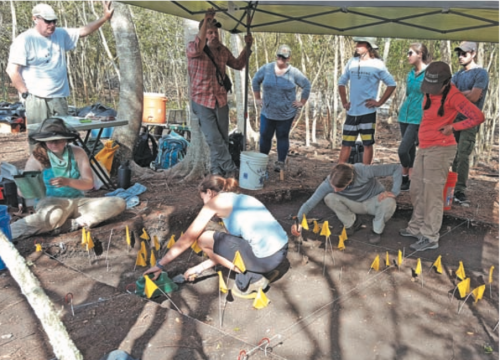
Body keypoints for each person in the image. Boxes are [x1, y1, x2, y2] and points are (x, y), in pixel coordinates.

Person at [144, 175, 288, 299]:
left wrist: (160, 265)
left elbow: (188, 237)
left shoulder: (214, 203)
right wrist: (199, 268)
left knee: (203, 238)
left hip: (265, 259)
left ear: (209, 193)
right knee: (223, 241)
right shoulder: (240, 198)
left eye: (203, 199)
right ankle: (259, 270)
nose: (204, 203)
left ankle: (254, 278)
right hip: (280, 253)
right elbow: (230, 253)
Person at [400, 62, 484, 252]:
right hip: (425, 146)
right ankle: (416, 227)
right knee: (417, 188)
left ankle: (429, 237)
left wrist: (454, 127)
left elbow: (477, 116)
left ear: (446, 83)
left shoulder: (454, 95)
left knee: (432, 193)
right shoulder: (429, 91)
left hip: (441, 148)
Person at [10, 118, 126, 239]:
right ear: (43, 141)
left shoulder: (78, 152)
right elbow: (22, 191)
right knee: (54, 215)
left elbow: (88, 184)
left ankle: (71, 224)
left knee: (118, 202)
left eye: (58, 140)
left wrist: (68, 182)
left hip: (77, 202)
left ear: (66, 139)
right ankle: (8, 232)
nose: (54, 144)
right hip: (50, 203)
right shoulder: (37, 157)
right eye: (50, 141)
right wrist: (28, 189)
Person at [6, 2, 114, 127]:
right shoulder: (24, 40)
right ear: (35, 19)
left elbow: (83, 31)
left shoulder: (60, 34)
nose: (52, 25)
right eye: (47, 21)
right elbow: (12, 70)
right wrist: (25, 94)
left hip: (59, 97)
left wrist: (104, 18)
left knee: (62, 134)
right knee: (39, 135)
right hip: (36, 98)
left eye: (54, 21)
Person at [187, 8, 253, 178]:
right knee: (213, 138)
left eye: (216, 32)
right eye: (210, 32)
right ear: (203, 34)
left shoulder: (222, 50)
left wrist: (247, 47)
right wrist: (206, 18)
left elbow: (238, 64)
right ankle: (231, 169)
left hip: (220, 100)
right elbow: (197, 47)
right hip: (202, 101)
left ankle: (217, 171)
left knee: (222, 138)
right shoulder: (194, 48)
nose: (214, 35)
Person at [291, 163, 402, 245]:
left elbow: (397, 168)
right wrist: (298, 221)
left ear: (349, 182)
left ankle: (376, 230)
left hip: (374, 201)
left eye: (338, 188)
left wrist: (395, 192)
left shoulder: (363, 171)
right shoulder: (329, 182)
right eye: (332, 186)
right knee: (329, 197)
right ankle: (352, 223)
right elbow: (309, 203)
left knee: (389, 202)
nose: (334, 189)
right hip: (354, 204)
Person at [252, 44, 311, 172]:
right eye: (279, 56)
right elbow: (255, 80)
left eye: (284, 57)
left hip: (286, 113)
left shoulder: (294, 72)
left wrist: (302, 102)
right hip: (268, 111)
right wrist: (257, 97)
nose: (281, 59)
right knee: (265, 135)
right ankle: (263, 160)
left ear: (288, 58)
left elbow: (306, 85)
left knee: (282, 136)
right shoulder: (267, 69)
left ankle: (280, 162)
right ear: (276, 55)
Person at [338, 37, 396, 165]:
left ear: (369, 46)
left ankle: (365, 172)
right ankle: (339, 171)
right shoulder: (351, 62)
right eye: (357, 43)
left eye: (360, 44)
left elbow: (391, 84)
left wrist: (380, 102)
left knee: (367, 144)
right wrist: (344, 102)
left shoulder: (378, 64)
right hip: (352, 112)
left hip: (367, 111)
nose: (357, 46)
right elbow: (341, 82)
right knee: (346, 143)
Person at [450, 41, 489, 206]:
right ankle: (451, 186)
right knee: (452, 153)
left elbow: (474, 97)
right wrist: (462, 94)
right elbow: (448, 96)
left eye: (464, 53)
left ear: (473, 53)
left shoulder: (481, 73)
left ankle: (460, 190)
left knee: (463, 155)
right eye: (459, 53)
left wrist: (457, 95)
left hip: (469, 120)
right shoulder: (457, 75)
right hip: (453, 119)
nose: (460, 57)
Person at [397, 43, 430, 191]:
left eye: (410, 53)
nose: (407, 56)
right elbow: (409, 94)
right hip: (404, 115)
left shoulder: (429, 74)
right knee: (409, 149)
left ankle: (410, 174)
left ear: (420, 54)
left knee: (402, 150)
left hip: (418, 117)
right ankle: (406, 179)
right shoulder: (410, 74)